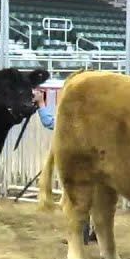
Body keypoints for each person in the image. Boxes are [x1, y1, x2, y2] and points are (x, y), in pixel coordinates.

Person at [35, 89, 96, 244]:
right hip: (98, 160)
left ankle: (81, 235)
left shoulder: (75, 117)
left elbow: (50, 123)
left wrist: (41, 103)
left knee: (80, 198)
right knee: (98, 197)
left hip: (82, 161)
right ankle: (96, 233)